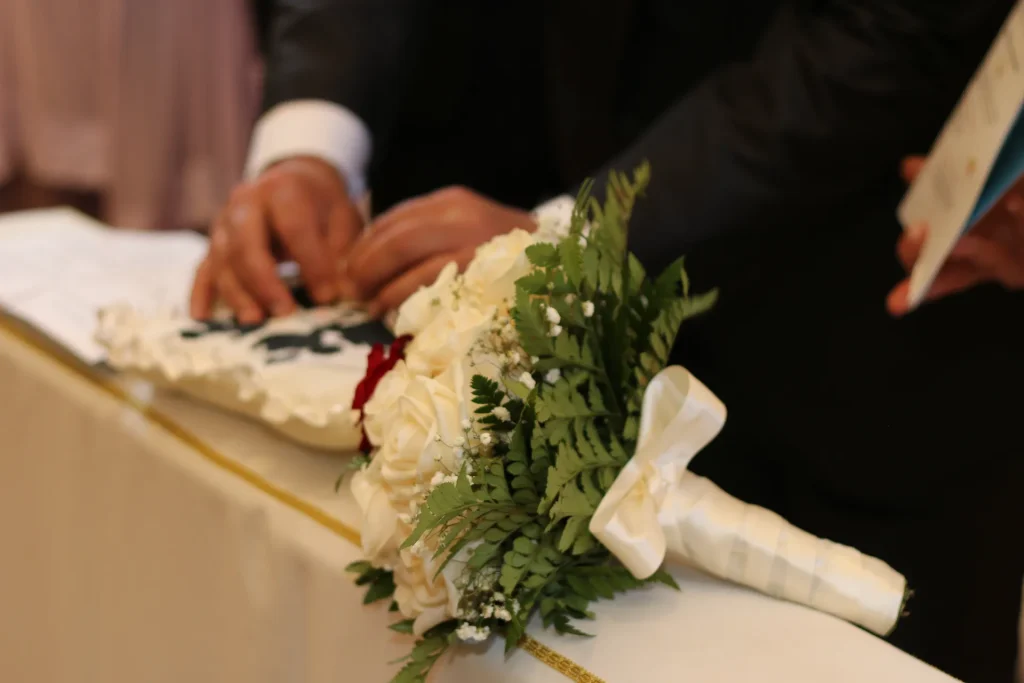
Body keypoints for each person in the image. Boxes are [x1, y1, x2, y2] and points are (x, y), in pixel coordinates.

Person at [192, 2, 1023, 681]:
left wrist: (576, 236)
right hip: (570, 193)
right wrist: (310, 142)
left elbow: (885, 30)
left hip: (855, 361)